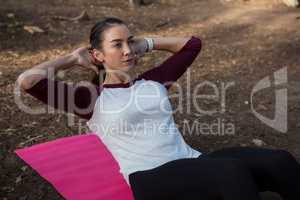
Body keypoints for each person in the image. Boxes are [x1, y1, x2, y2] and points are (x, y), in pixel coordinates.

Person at [17, 17, 300, 200]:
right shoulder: (89, 99)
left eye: (130, 41)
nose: (127, 50)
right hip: (149, 178)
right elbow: (27, 81)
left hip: (191, 160)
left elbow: (192, 45)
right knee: (232, 173)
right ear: (98, 54)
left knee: (279, 161)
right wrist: (70, 59)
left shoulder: (153, 81)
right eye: (117, 45)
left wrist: (148, 43)